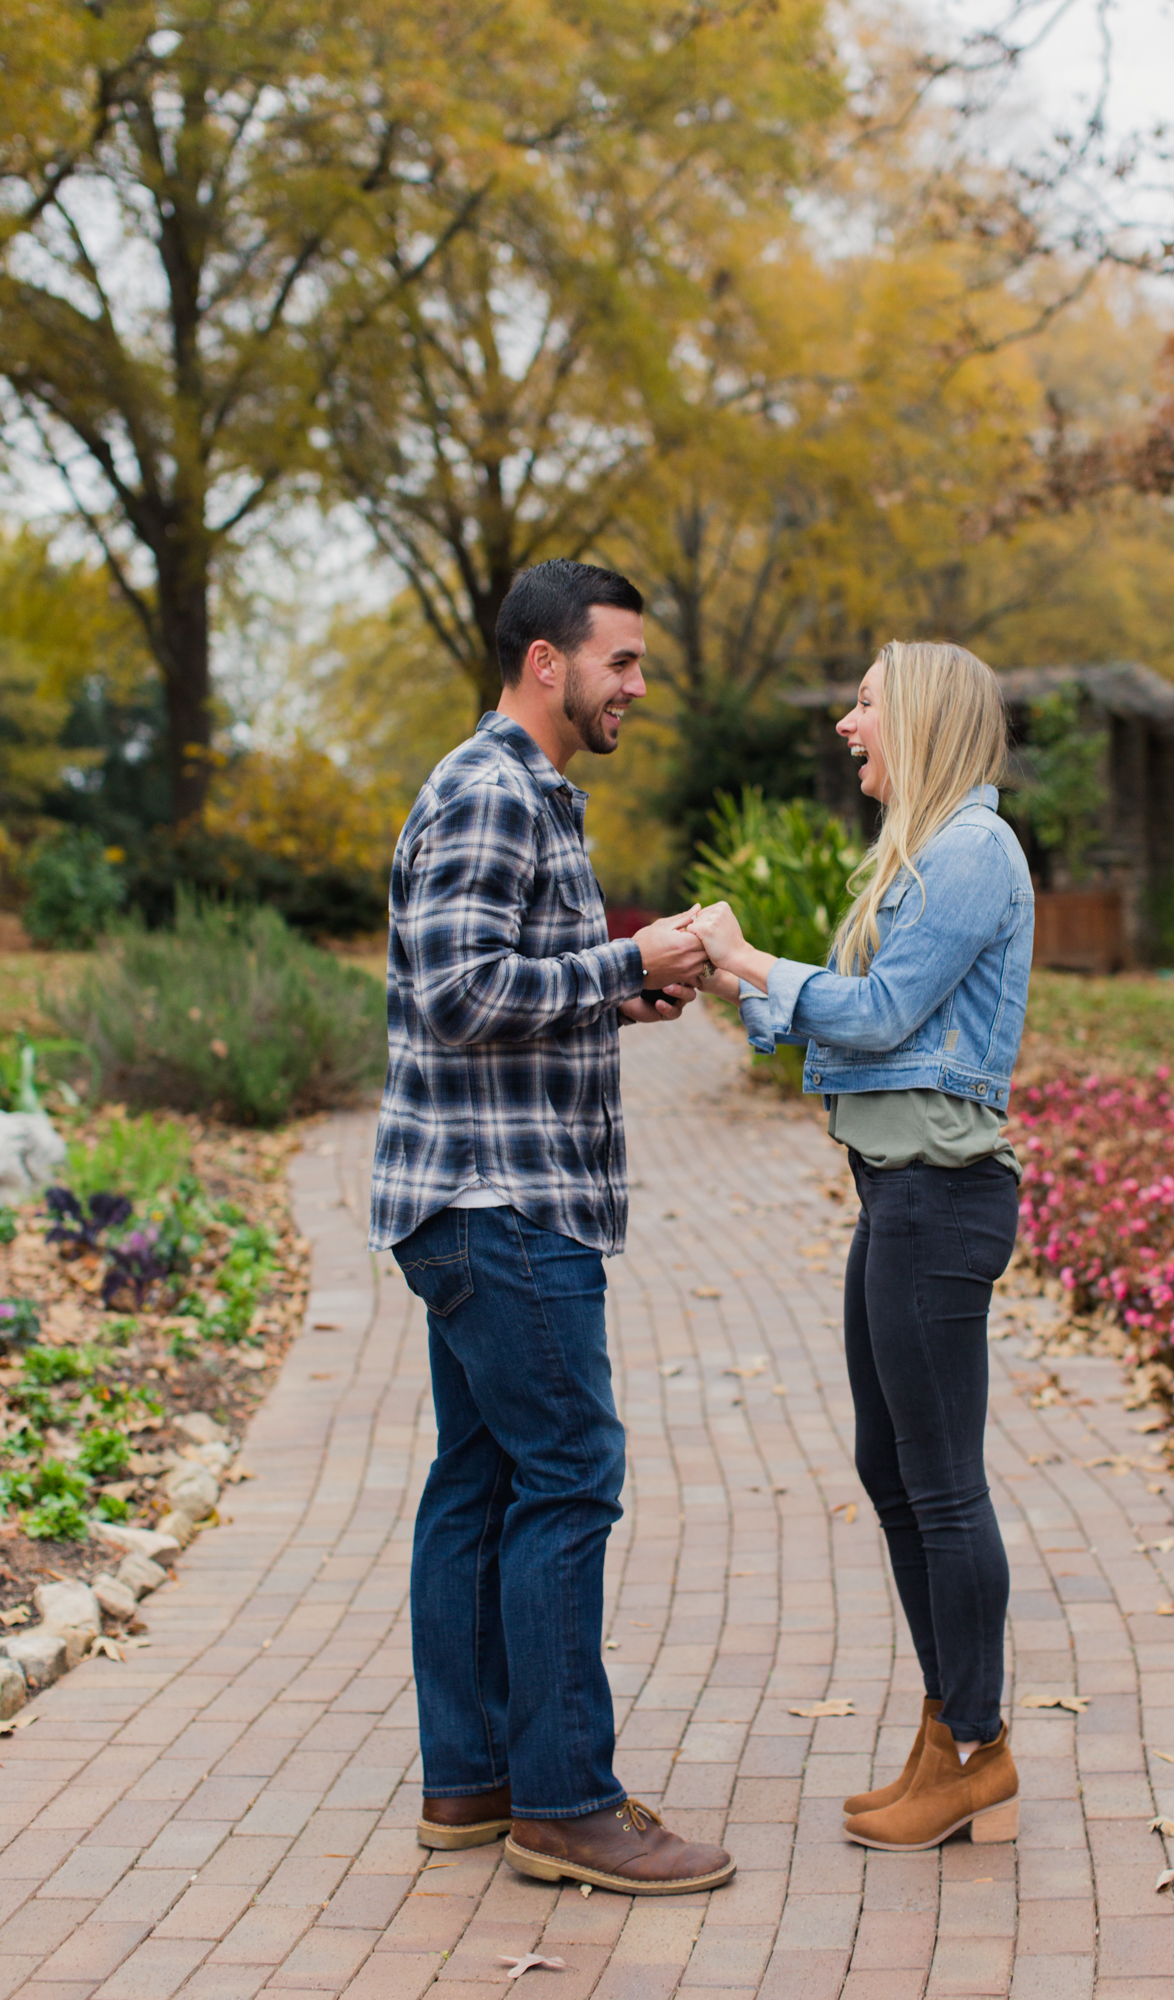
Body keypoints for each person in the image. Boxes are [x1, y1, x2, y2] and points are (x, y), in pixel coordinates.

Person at [369, 558, 736, 1895]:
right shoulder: (487, 789)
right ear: (546, 662)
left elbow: (501, 983)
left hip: (483, 1197)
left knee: (480, 1483)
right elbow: (463, 992)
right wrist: (627, 960)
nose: (637, 686)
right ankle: (566, 1806)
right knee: (570, 1474)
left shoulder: (521, 793)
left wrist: (617, 998)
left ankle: (472, 1784)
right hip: (500, 1206)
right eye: (620, 663)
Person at [689, 639, 1033, 1852]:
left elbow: (883, 1014)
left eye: (867, 704)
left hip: (940, 1200)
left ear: (923, 718)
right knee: (891, 1466)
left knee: (939, 1483)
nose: (847, 723)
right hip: (899, 1195)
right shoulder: (929, 854)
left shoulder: (972, 853)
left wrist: (745, 965)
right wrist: (748, 982)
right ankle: (945, 1728)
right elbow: (872, 1017)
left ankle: (976, 1744)